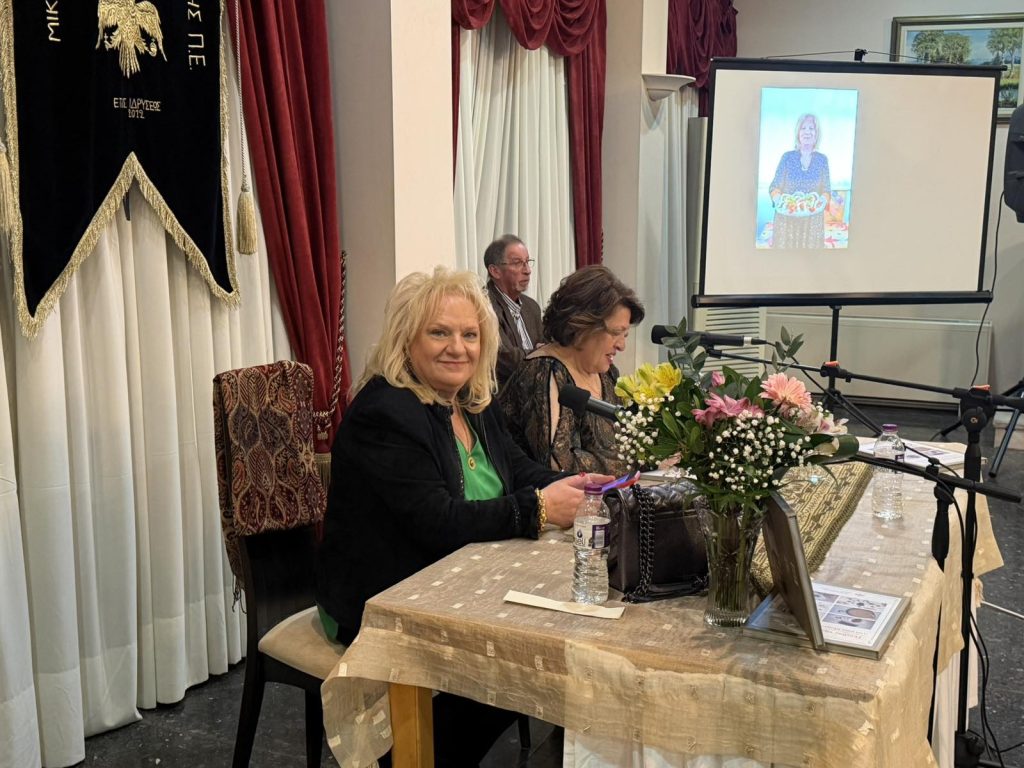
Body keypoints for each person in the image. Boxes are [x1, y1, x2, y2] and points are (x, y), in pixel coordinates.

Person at [315, 267, 609, 767]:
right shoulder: (385, 413)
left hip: (459, 581)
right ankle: (412, 754)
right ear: (406, 338)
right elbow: (438, 521)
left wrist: (574, 486)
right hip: (382, 597)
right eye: (439, 333)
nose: (458, 348)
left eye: (469, 335)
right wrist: (539, 509)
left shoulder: (471, 402)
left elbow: (516, 469)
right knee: (522, 665)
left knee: (564, 645)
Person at [499, 265, 644, 475]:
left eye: (625, 335)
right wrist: (633, 462)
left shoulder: (607, 373)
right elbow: (560, 463)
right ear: (581, 325)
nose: (622, 346)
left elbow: (626, 443)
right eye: (615, 333)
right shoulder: (543, 371)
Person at [483, 234, 543, 387]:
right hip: (502, 394)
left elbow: (547, 347)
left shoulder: (532, 307)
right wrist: (542, 353)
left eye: (527, 262)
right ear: (495, 271)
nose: (527, 270)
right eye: (517, 263)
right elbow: (506, 359)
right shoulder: (484, 305)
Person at [768, 113, 831, 248]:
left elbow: (826, 191)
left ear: (817, 134)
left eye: (811, 128)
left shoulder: (822, 160)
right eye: (803, 128)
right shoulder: (787, 157)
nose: (807, 132)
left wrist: (822, 201)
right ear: (798, 132)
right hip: (787, 223)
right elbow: (774, 187)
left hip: (812, 224)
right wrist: (779, 201)